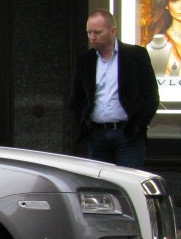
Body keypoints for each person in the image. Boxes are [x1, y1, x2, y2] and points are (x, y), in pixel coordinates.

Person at [68, 9, 159, 169]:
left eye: (97, 32)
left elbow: (150, 95)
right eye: (89, 32)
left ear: (112, 31)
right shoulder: (85, 60)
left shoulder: (136, 55)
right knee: (101, 186)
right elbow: (77, 98)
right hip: (96, 134)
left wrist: (138, 126)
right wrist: (84, 125)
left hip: (127, 133)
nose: (92, 37)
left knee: (129, 182)